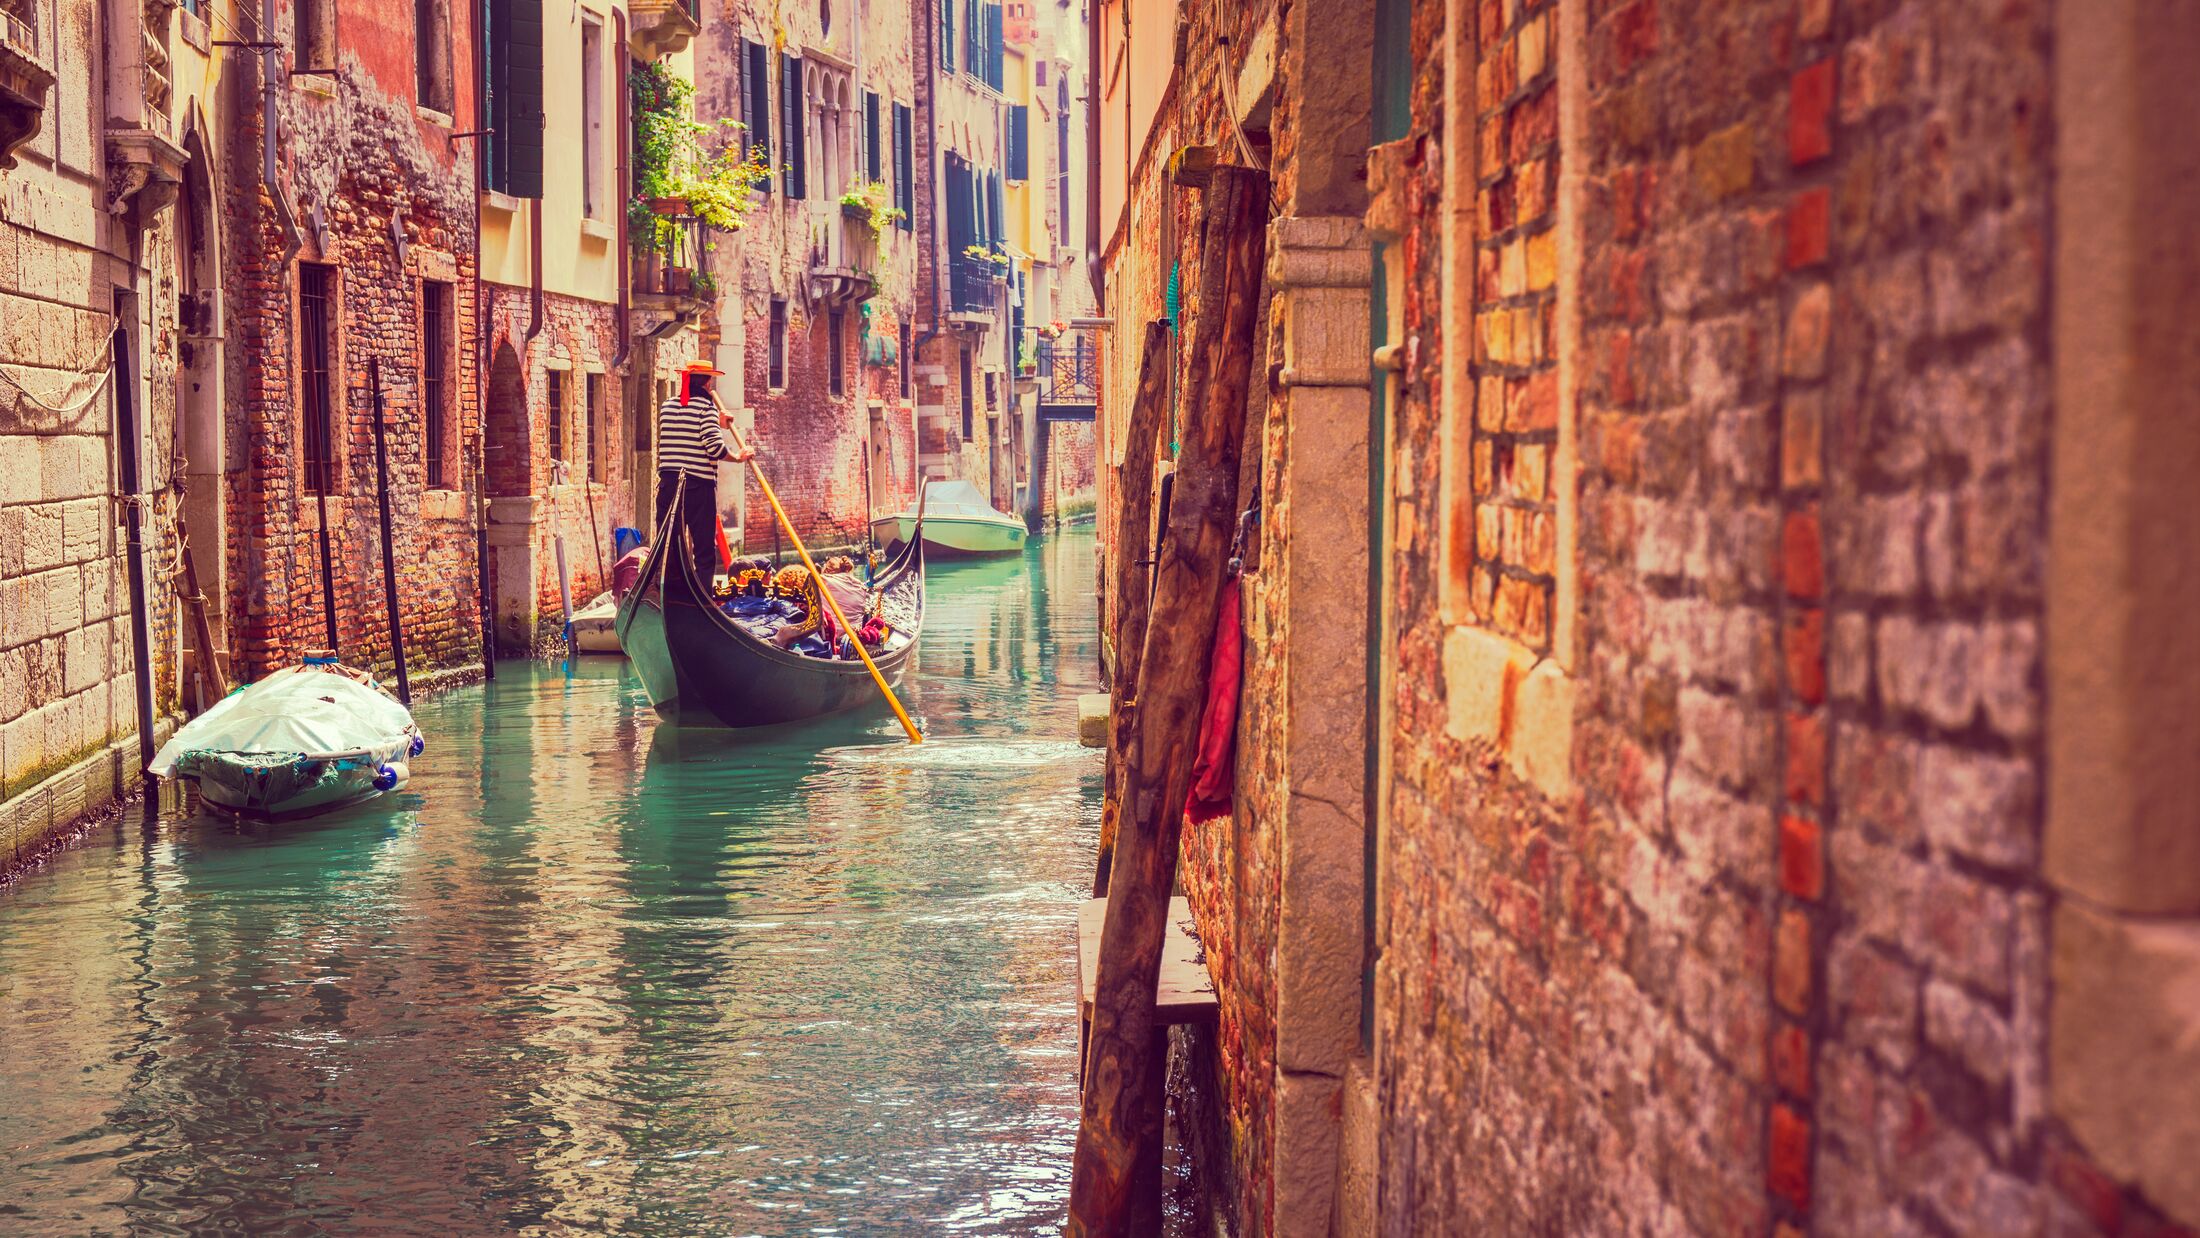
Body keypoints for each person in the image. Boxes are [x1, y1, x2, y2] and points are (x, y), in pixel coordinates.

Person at [654, 361, 753, 585]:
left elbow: (684, 431)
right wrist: (739, 457)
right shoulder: (706, 409)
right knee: (704, 549)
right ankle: (704, 598)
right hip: (697, 487)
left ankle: (672, 593)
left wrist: (717, 422)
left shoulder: (667, 406)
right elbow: (715, 448)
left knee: (670, 545)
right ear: (707, 383)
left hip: (668, 485)